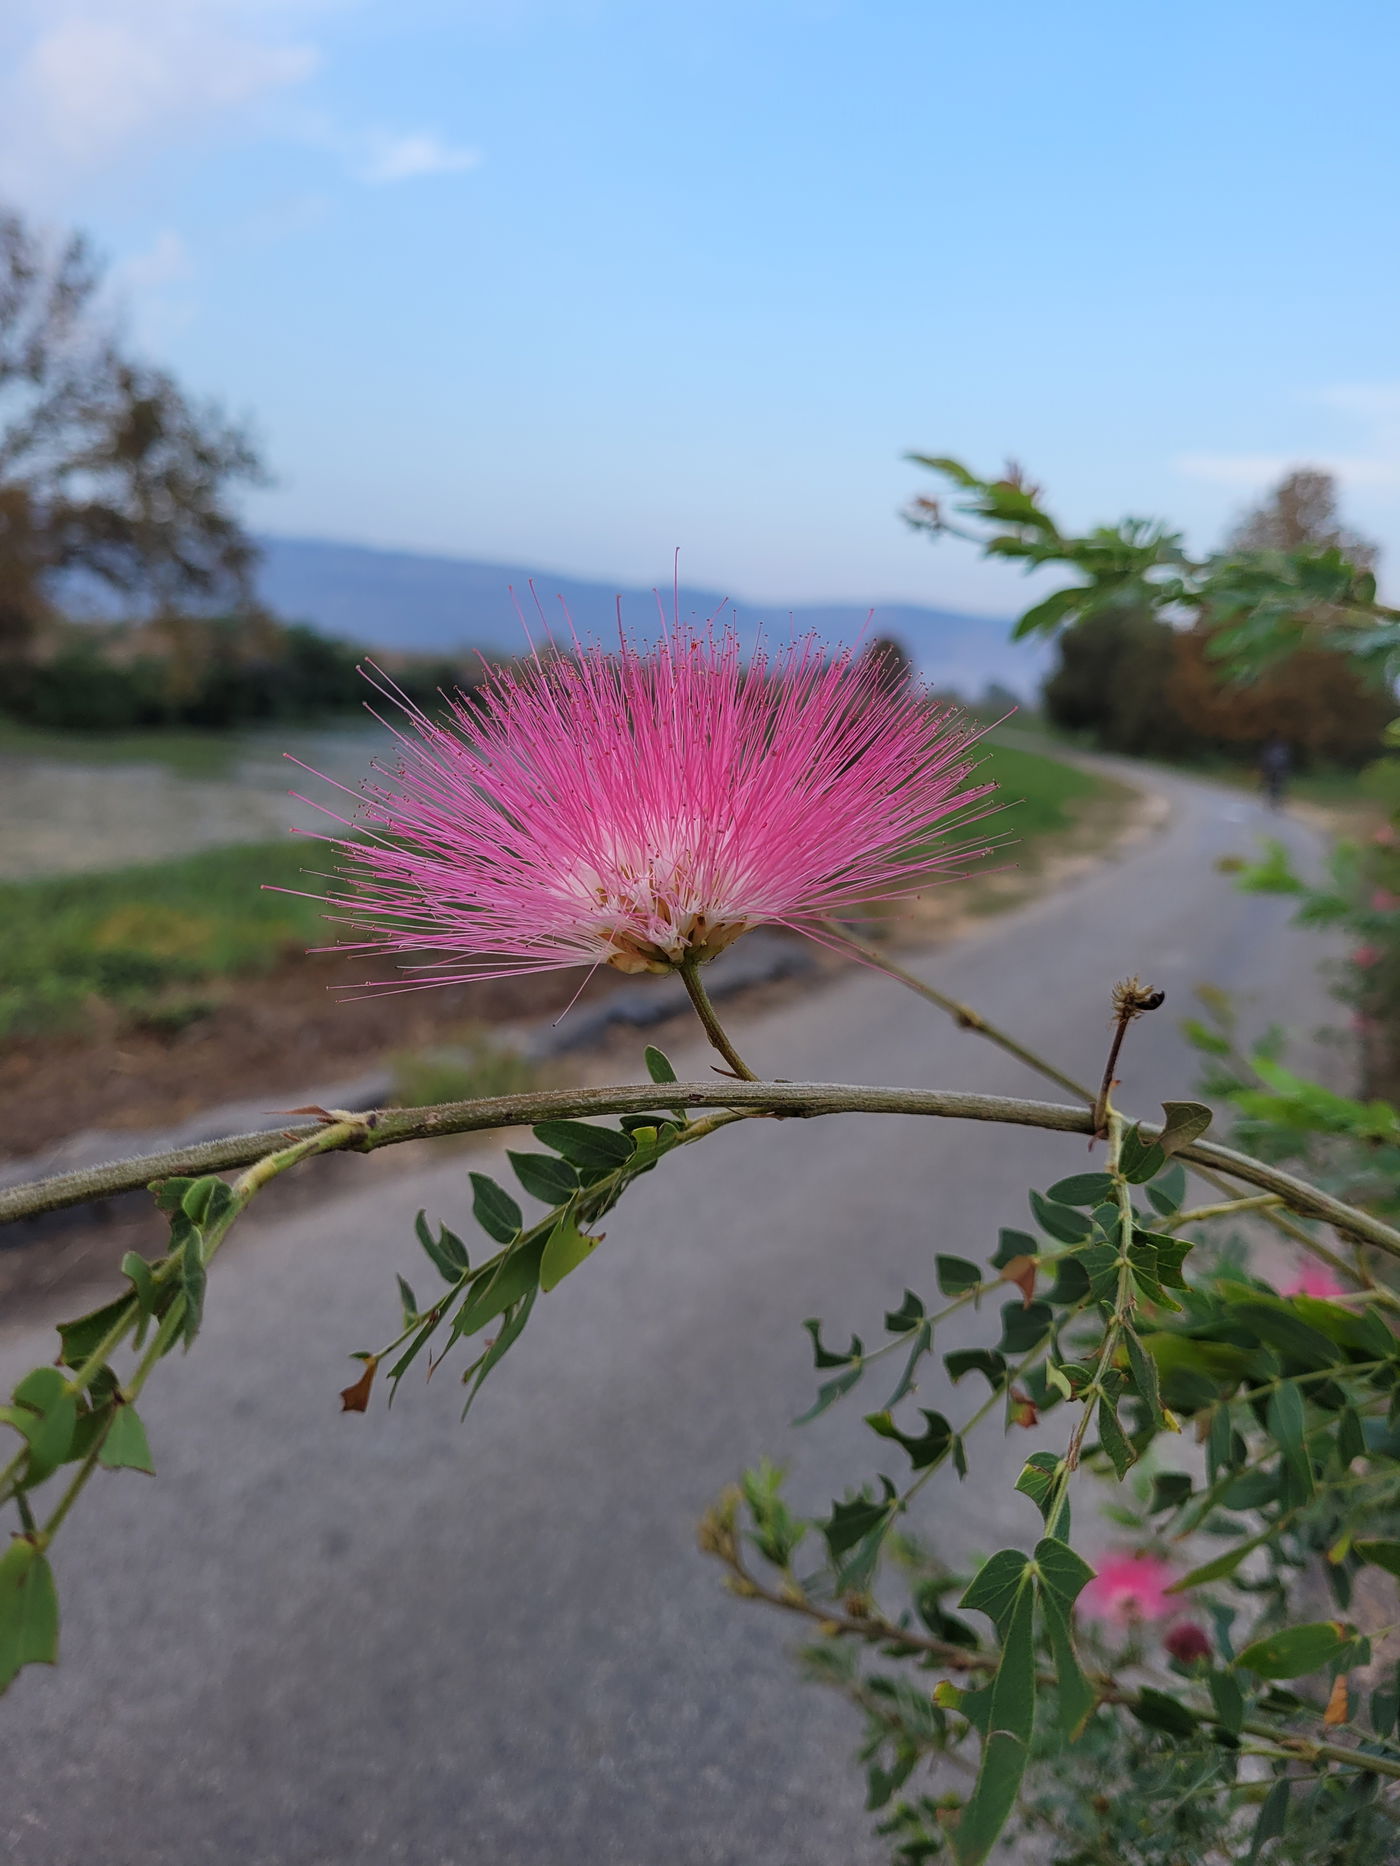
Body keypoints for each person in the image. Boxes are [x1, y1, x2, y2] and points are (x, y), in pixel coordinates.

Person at [1259, 732, 1292, 809]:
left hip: (1272, 769)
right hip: (1281, 770)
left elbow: (1266, 758)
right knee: (1278, 786)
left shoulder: (1271, 747)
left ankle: (1273, 800)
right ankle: (1276, 801)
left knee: (1272, 785)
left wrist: (1264, 768)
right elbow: (1288, 760)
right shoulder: (1284, 748)